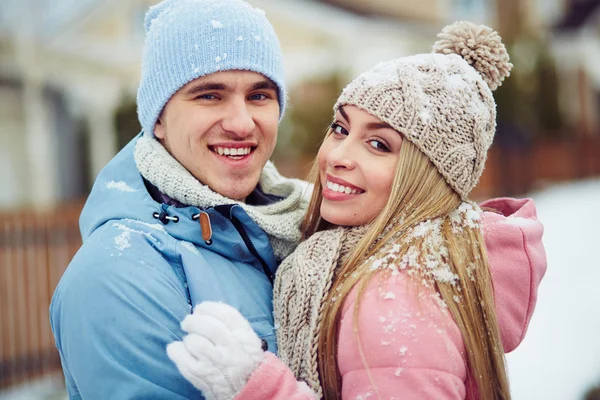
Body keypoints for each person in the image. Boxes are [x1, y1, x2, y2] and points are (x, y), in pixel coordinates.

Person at [166, 21, 547, 399]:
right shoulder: (417, 263)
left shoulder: (394, 297)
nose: (338, 157)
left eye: (379, 144)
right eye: (341, 128)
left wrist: (260, 389)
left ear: (428, 176)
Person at [49, 0, 309, 398]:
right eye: (209, 95)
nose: (241, 123)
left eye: (259, 96)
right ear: (157, 119)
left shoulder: (293, 226)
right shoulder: (117, 274)